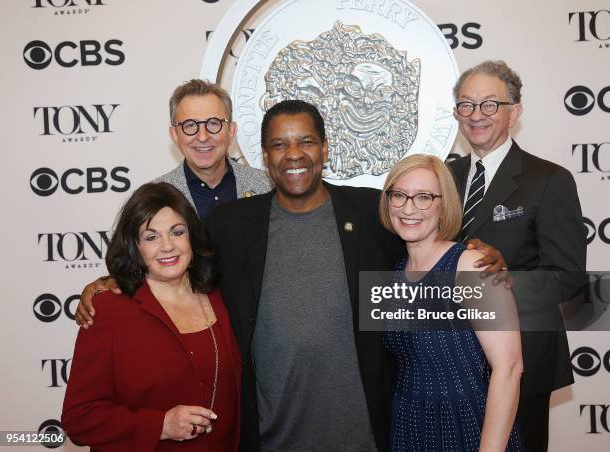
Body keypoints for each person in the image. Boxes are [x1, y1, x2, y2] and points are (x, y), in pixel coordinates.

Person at [76, 100, 507, 452]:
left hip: (369, 436)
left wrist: (476, 249)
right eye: (279, 144)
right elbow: (177, 261)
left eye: (305, 141)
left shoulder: (372, 213)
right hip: (269, 437)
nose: (294, 154)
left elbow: (428, 246)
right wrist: (110, 282)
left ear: (325, 147)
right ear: (264, 156)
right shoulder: (232, 224)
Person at [449, 60, 587, 451]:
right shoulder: (441, 177)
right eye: (466, 105)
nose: (476, 116)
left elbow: (569, 278)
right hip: (447, 360)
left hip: (520, 361)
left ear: (515, 112)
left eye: (490, 104)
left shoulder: (549, 180)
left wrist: (503, 277)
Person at [62, 182, 241, 452]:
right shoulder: (109, 311)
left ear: (192, 236)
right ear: (135, 246)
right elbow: (79, 418)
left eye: (177, 232)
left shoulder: (221, 297)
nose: (167, 246)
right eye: (151, 237)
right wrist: (161, 425)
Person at [379, 154, 523, 451]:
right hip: (408, 426)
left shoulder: (471, 266)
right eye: (399, 195)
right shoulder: (394, 272)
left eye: (424, 197)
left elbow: (509, 368)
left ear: (444, 204)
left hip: (468, 424)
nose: (409, 208)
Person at [156, 79, 272, 218]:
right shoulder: (153, 198)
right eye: (190, 125)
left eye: (213, 123)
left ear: (231, 131)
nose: (203, 137)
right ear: (174, 135)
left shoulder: (269, 187)